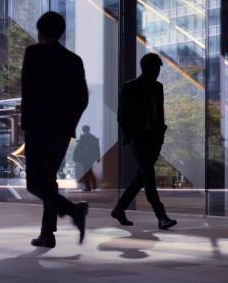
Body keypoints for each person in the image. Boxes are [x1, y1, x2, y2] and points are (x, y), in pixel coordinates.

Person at [21, 11, 90, 248]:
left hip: (39, 128)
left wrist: (27, 125)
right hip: (61, 130)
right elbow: (82, 98)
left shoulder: (33, 54)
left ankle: (73, 211)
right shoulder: (74, 59)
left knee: (34, 183)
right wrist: (69, 124)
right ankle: (47, 233)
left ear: (40, 32)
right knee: (48, 180)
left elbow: (28, 92)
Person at [111, 53, 177, 230]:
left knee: (140, 178)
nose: (157, 72)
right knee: (148, 177)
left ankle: (119, 209)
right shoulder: (129, 87)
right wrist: (132, 136)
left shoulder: (158, 87)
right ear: (146, 68)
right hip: (138, 140)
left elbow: (159, 113)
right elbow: (122, 116)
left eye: (158, 69)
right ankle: (161, 216)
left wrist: (161, 134)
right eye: (155, 68)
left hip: (155, 139)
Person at [73, 125, 100, 192]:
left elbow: (79, 147)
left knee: (86, 172)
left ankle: (89, 187)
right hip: (91, 158)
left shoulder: (83, 137)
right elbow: (97, 148)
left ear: (83, 130)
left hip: (85, 157)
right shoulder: (93, 137)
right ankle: (94, 185)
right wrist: (98, 157)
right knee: (89, 171)